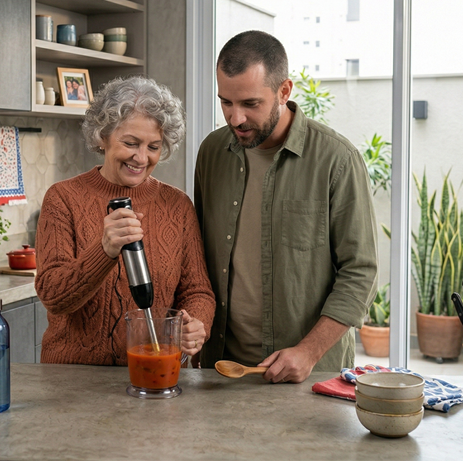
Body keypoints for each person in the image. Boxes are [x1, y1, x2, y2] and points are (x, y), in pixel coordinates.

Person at [194, 30, 378, 383]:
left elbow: (360, 272)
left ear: (284, 91)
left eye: (250, 104)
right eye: (226, 102)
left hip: (310, 375)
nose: (235, 118)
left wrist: (309, 351)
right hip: (221, 371)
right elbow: (198, 257)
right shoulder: (212, 152)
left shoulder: (337, 160)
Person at [36, 76, 216, 365]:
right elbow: (53, 297)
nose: (141, 158)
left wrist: (195, 324)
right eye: (131, 143)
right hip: (72, 377)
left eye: (154, 147)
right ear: (103, 136)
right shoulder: (63, 198)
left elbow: (198, 291)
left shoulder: (177, 205)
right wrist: (104, 251)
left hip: (155, 370)